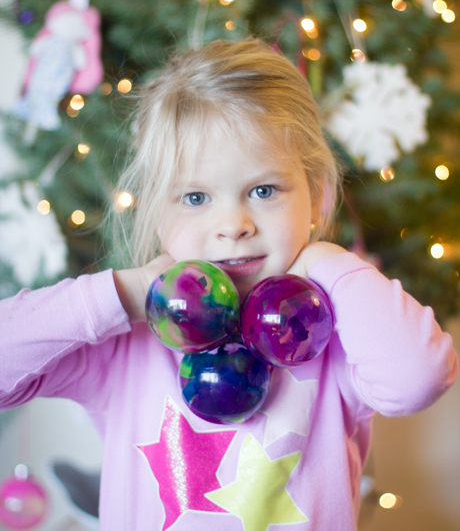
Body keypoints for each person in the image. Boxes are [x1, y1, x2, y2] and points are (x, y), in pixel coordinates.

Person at [0, 39, 457, 531]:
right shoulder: (123, 345)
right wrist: (125, 293)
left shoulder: (334, 334)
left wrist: (329, 260)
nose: (233, 224)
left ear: (318, 197)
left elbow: (420, 378)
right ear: (156, 214)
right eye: (195, 197)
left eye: (264, 190)